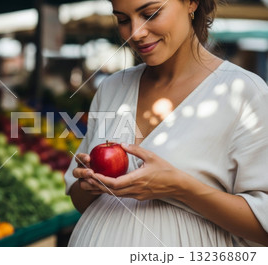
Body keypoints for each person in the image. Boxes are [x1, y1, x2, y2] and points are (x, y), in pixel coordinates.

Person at [64, 0, 268, 247]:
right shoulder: (111, 88)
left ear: (191, 3)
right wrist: (89, 184)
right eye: (123, 20)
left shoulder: (244, 93)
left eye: (150, 14)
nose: (136, 33)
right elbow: (81, 202)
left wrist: (179, 188)